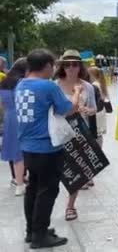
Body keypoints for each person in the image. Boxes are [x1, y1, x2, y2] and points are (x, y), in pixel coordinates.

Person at [17, 49, 82, 248]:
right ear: (46, 66)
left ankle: (33, 230)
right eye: (53, 65)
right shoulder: (47, 86)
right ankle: (40, 236)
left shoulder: (21, 84)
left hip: (28, 147)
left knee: (33, 189)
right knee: (47, 191)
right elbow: (69, 109)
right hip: (46, 148)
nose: (54, 69)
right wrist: (77, 93)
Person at [54, 50, 97, 221]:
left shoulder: (88, 87)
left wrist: (88, 110)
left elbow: (94, 108)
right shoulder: (54, 85)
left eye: (75, 64)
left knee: (77, 171)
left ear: (80, 66)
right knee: (56, 172)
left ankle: (70, 206)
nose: (71, 68)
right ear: (62, 67)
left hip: (80, 133)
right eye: (67, 64)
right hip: (58, 132)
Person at [0, 58, 28, 196]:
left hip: (9, 117)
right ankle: (21, 182)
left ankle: (18, 182)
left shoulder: (4, 82)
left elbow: (2, 104)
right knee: (23, 151)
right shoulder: (22, 83)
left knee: (15, 152)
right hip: (21, 116)